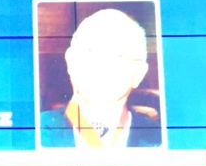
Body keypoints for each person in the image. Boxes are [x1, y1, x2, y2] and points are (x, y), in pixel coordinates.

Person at [39, 8, 162, 148]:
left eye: (119, 56)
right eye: (92, 51)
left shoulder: (162, 139)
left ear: (139, 73)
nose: (103, 65)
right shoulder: (31, 132)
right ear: (71, 61)